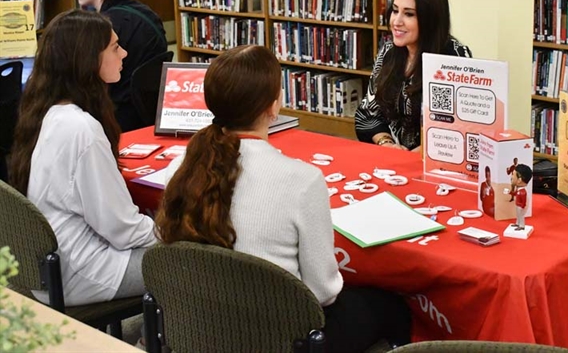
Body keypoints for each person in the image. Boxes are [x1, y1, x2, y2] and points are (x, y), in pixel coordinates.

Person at [155, 45, 411, 353]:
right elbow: (323, 292)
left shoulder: (180, 169)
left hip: (201, 325)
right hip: (284, 337)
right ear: (273, 106)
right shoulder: (302, 180)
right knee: (393, 306)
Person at [9, 9, 157, 306]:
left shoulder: (50, 112)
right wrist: (171, 232)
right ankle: (156, 341)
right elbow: (123, 230)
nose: (125, 53)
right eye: (115, 47)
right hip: (83, 271)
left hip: (47, 265)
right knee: (192, 260)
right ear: (89, 60)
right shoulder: (82, 129)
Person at [355, 0, 472, 151]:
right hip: (392, 158)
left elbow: (456, 128)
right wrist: (386, 143)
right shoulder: (388, 51)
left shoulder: (455, 59)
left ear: (430, 20)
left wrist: (417, 154)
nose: (396, 21)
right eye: (395, 11)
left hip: (435, 162)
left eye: (409, 14)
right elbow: (367, 114)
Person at [72, 0, 168, 132]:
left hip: (120, 114)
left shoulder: (106, 27)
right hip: (149, 110)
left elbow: (90, 76)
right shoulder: (144, 11)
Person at [509, 164, 532, 230]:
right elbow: (515, 194)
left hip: (520, 206)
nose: (511, 177)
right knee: (518, 215)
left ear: (519, 180)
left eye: (513, 175)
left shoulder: (523, 192)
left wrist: (522, 206)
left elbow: (524, 200)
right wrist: (510, 192)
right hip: (518, 205)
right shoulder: (518, 190)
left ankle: (521, 225)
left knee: (521, 215)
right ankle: (517, 223)